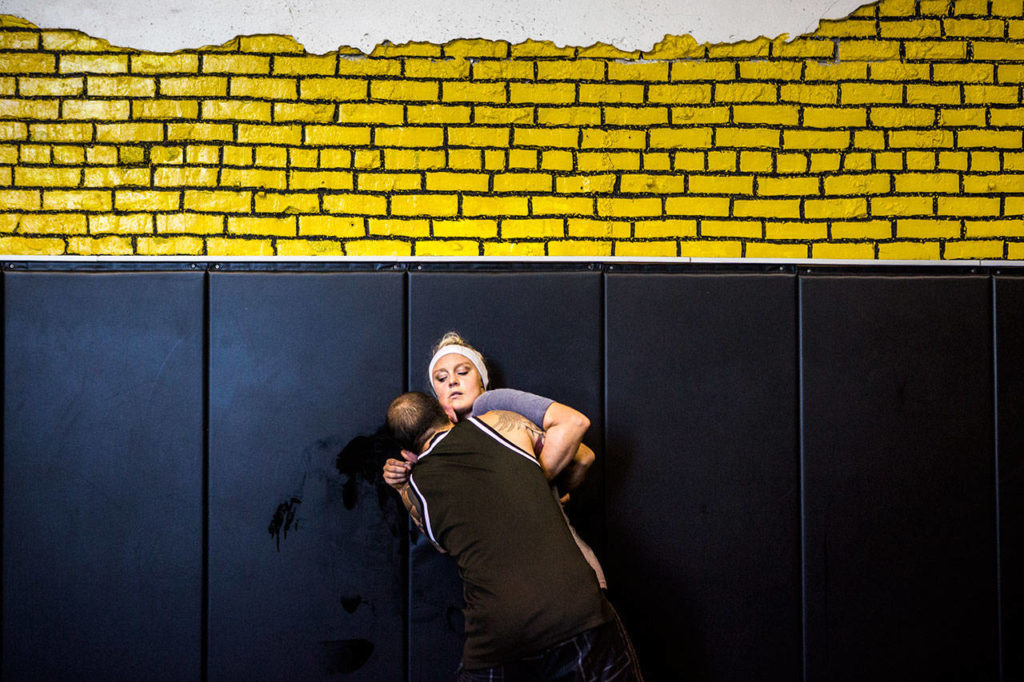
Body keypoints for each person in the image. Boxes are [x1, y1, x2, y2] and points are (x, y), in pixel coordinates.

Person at [385, 392, 642, 681]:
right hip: (575, 609)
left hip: (498, 634)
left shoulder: (415, 490)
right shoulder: (497, 422)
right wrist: (526, 485)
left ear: (407, 453)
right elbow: (582, 455)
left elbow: (440, 545)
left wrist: (400, 488)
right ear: (448, 412)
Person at [382, 331, 606, 587]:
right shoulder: (437, 450)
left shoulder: (491, 406)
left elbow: (583, 456)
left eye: (463, 372)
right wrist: (404, 485)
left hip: (565, 571)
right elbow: (440, 537)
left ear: (482, 381)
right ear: (435, 398)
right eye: (441, 379)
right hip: (512, 587)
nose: (452, 382)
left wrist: (529, 491)